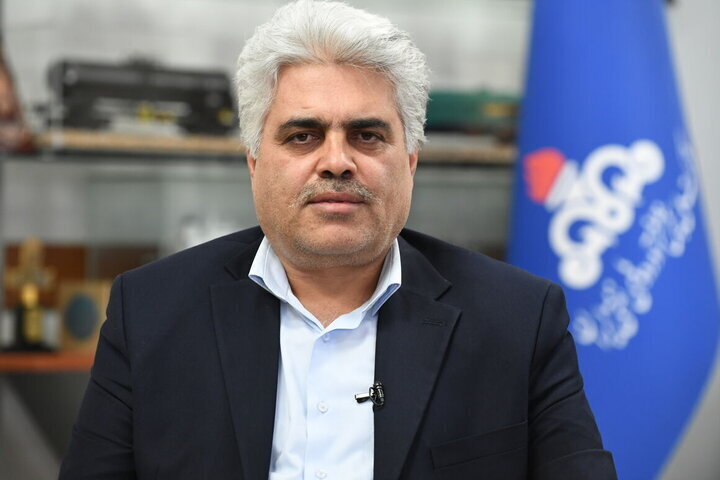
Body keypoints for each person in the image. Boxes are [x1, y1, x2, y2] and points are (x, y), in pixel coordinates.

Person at [60, 1, 618, 479]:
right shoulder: (150, 311)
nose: (336, 161)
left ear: (410, 161)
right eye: (303, 135)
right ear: (254, 163)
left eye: (366, 135)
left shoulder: (519, 320)